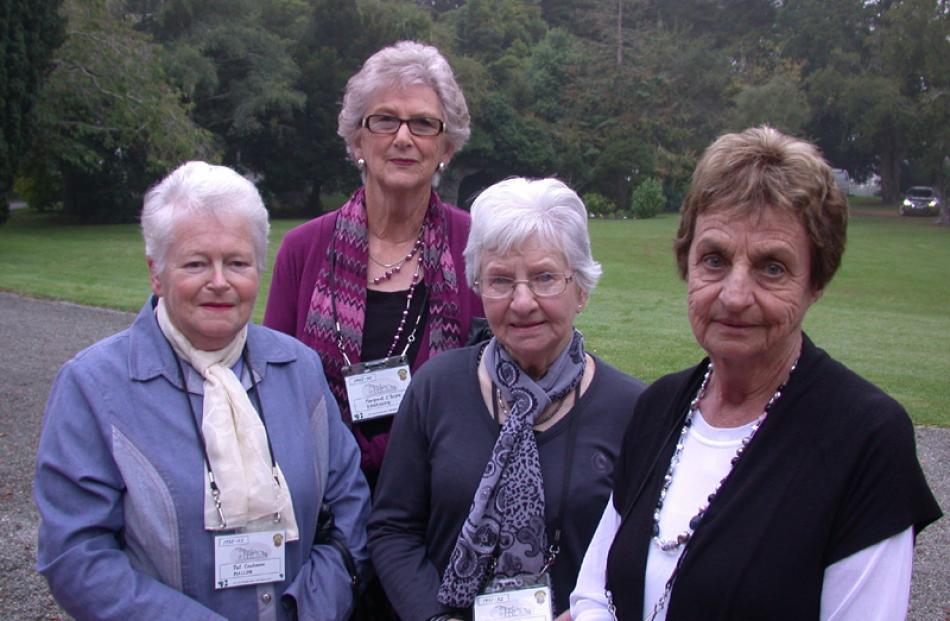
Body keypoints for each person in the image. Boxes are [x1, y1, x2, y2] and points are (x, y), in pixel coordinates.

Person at [570, 126, 943, 621]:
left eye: (772, 267)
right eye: (715, 260)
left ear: (815, 281)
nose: (734, 295)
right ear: (687, 263)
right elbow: (595, 590)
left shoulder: (865, 440)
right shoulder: (659, 407)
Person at [35, 161, 371, 621]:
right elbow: (76, 557)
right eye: (196, 263)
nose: (219, 282)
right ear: (156, 273)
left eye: (237, 263)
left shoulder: (299, 369)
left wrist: (313, 608)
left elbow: (350, 507)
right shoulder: (93, 387)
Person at [368, 177, 647, 621]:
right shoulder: (435, 388)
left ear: (581, 289)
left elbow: (643, 550)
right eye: (500, 280)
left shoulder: (633, 410)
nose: (522, 302)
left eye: (545, 278)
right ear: (478, 287)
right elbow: (392, 529)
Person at [264, 41, 483, 489]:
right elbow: (274, 391)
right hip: (323, 496)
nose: (403, 138)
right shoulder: (302, 250)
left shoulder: (477, 246)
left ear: (446, 148)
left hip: (439, 500)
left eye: (423, 123)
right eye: (384, 120)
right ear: (356, 139)